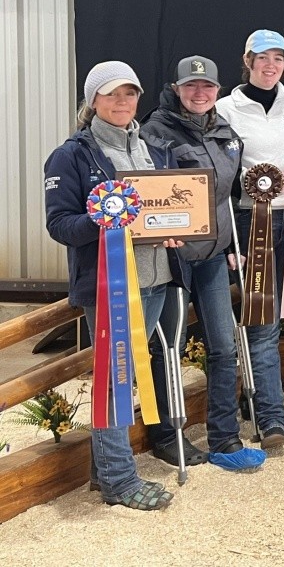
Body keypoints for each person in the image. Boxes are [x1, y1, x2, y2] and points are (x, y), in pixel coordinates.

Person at [44, 61, 185, 510]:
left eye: (129, 93)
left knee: (125, 377)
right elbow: (60, 225)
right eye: (111, 94)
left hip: (157, 278)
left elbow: (161, 210)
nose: (122, 102)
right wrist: (101, 219)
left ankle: (102, 470)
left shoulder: (155, 149)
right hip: (111, 289)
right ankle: (121, 482)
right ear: (93, 102)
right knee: (114, 381)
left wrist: (172, 228)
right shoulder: (71, 156)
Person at [142, 55, 254, 461]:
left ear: (217, 91)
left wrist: (228, 245)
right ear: (177, 89)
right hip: (171, 260)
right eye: (191, 86)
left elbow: (227, 196)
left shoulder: (226, 133)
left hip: (212, 256)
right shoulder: (155, 132)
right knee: (168, 346)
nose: (199, 93)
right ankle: (166, 435)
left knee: (223, 346)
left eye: (207, 87)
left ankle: (224, 433)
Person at [215, 29, 284, 452]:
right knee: (262, 322)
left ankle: (256, 402)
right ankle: (269, 415)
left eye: (278, 58)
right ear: (247, 60)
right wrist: (231, 237)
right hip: (252, 222)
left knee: (274, 316)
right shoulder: (225, 110)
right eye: (262, 58)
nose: (270, 66)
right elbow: (221, 177)